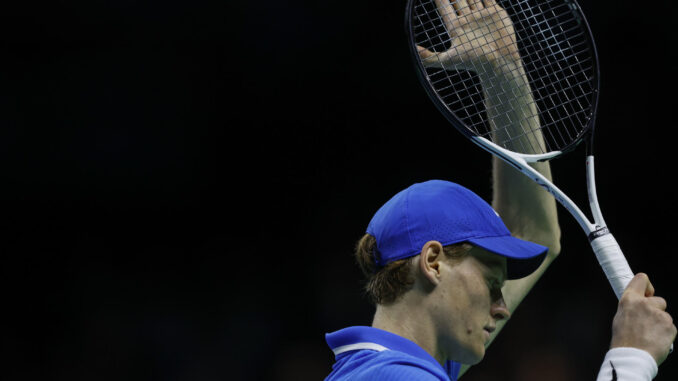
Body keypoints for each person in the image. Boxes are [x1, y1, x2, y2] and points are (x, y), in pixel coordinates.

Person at [324, 1, 676, 380]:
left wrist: (503, 70)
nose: (502, 307)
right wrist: (631, 357)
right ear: (433, 263)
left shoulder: (389, 366)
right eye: (493, 285)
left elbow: (534, 233)